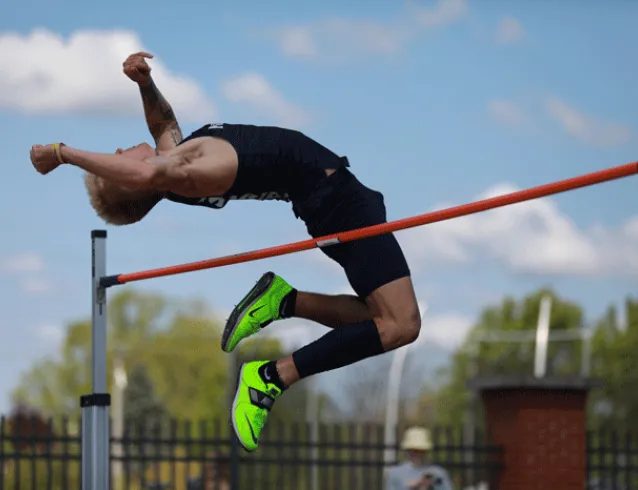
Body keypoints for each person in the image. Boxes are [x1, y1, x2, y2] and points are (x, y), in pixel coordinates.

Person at [29, 51, 421, 452]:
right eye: (116, 164)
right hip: (338, 202)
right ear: (131, 181)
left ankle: (284, 302)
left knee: (384, 321)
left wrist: (145, 85)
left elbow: (163, 124)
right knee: (400, 325)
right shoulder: (183, 177)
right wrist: (62, 153)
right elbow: (147, 172)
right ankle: (272, 376)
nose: (116, 150)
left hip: (333, 199)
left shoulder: (177, 160)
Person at [384, 427, 453, 490]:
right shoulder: (395, 474)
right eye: (414, 450)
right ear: (408, 450)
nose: (418, 454)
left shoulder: (439, 474)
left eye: (421, 450)